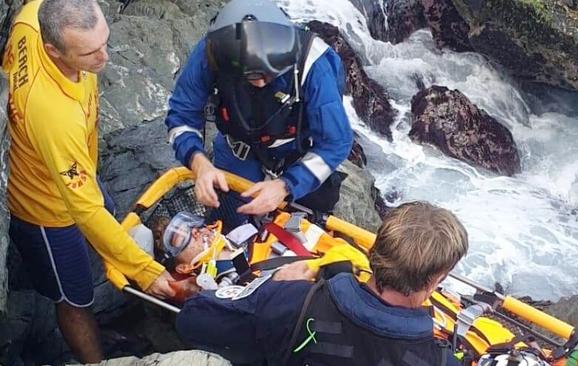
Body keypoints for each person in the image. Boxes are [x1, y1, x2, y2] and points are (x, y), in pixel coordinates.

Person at [2, 0, 174, 362]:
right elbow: (84, 210)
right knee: (74, 297)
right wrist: (146, 272)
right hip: (47, 210)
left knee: (106, 235)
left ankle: (108, 314)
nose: (105, 58)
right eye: (90, 53)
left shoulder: (37, 14)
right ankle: (94, 359)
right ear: (53, 50)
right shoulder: (52, 112)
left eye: (105, 42)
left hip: (80, 172)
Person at [176, 201, 469, 365]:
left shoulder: (291, 301)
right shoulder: (437, 361)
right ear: (436, 281)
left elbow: (192, 319)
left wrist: (269, 285)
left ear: (372, 251)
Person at [164, 0, 353, 227]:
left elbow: (336, 141)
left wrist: (286, 185)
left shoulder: (313, 65)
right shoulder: (213, 53)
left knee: (300, 235)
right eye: (253, 76)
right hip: (238, 153)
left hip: (296, 155)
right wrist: (199, 163)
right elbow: (181, 116)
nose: (262, 83)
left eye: (269, 74)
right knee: (230, 225)